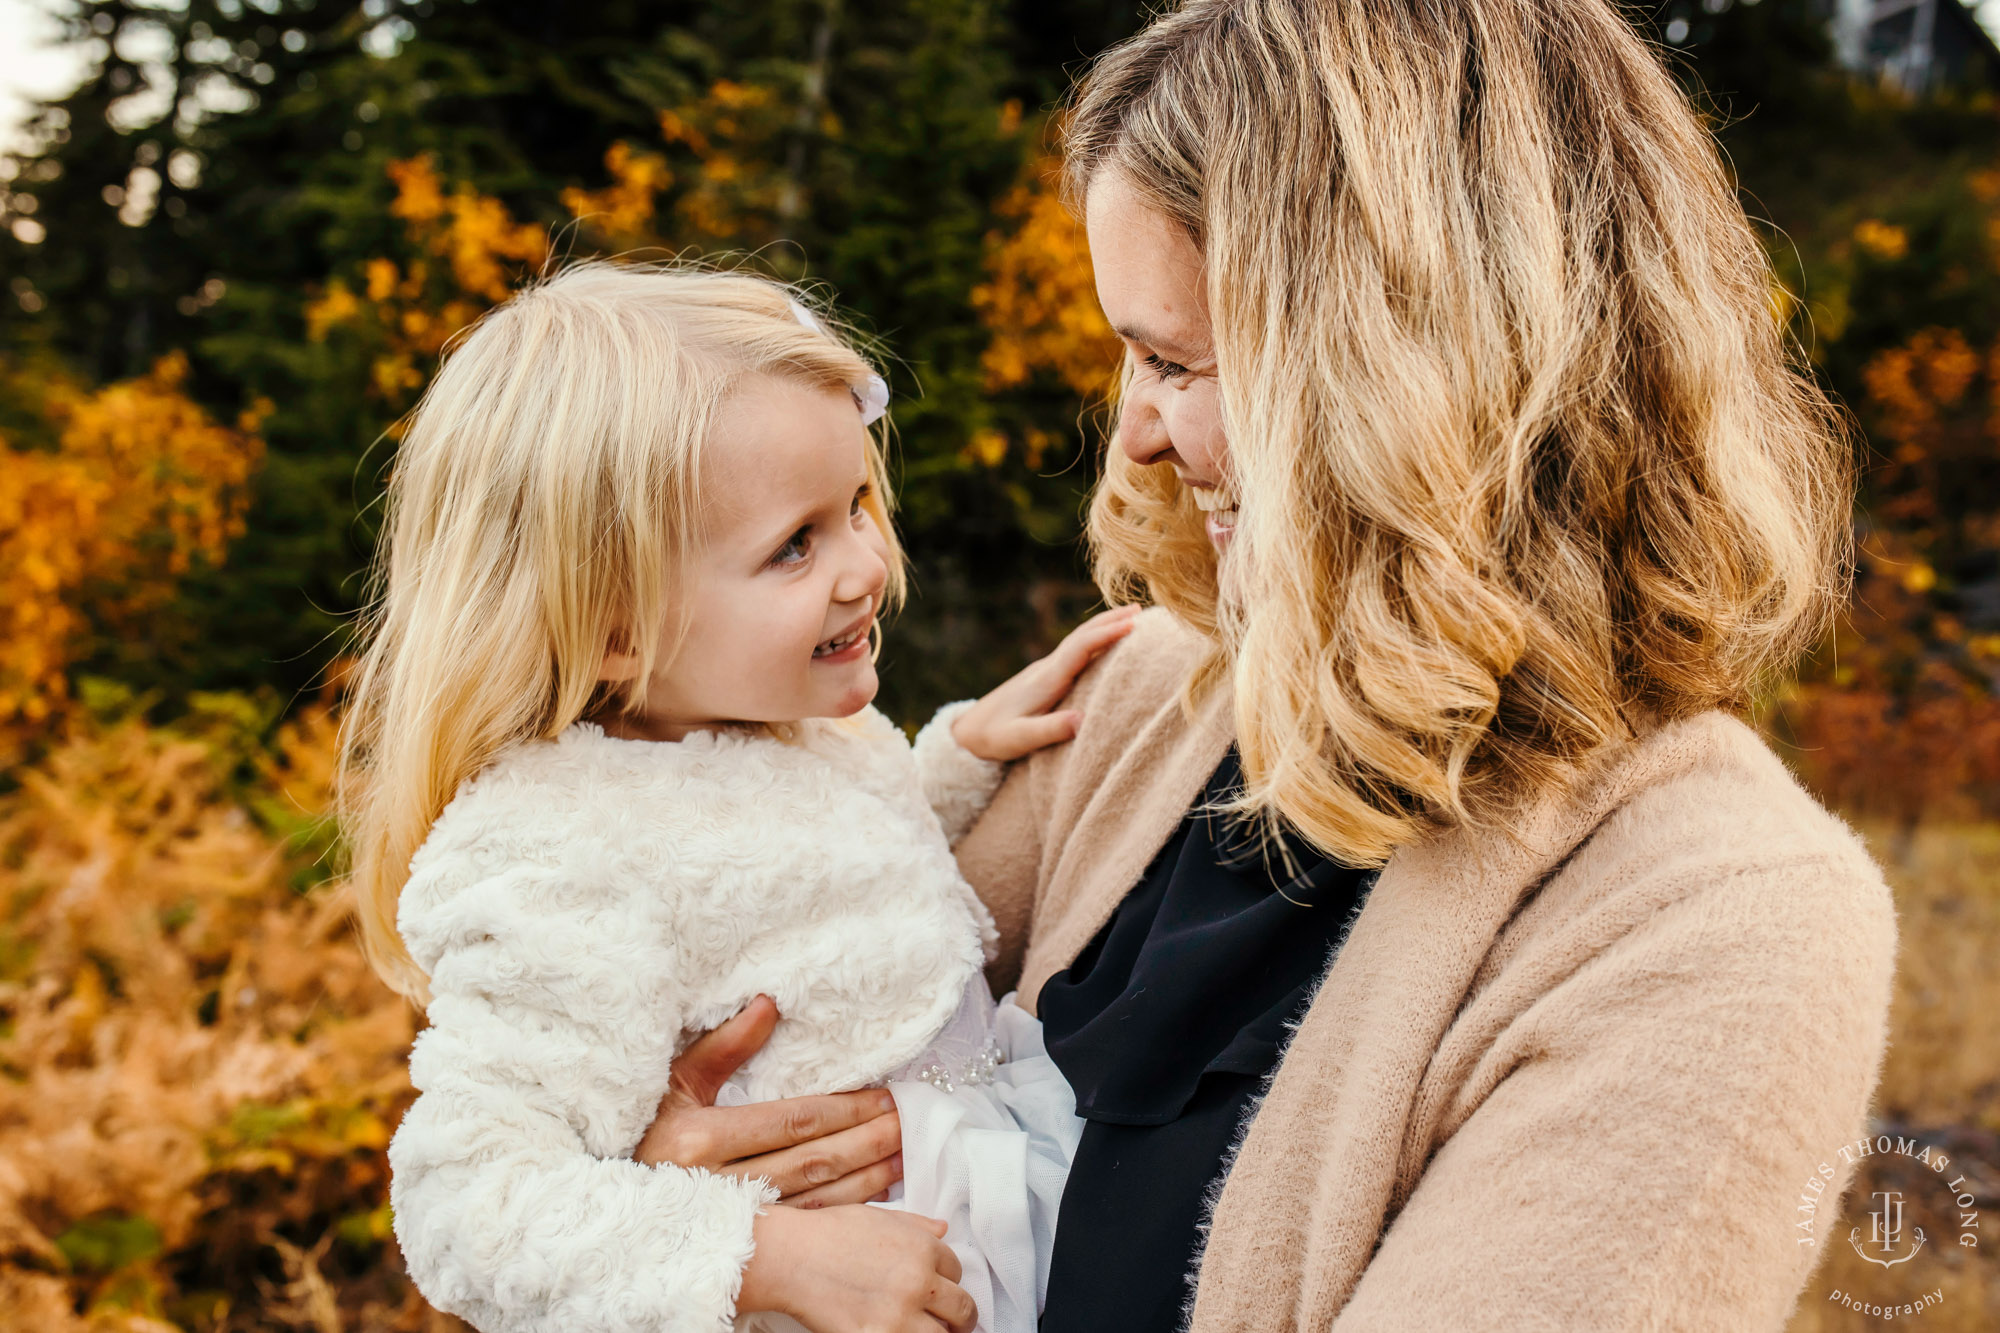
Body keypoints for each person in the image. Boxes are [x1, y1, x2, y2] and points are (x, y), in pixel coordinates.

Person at [644, 2, 1898, 1328]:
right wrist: (666, 1197)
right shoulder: (1151, 692)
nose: (1133, 434)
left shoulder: (1715, 925)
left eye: (1173, 359)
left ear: (1405, 377)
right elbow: (701, 1044)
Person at [336, 262, 1136, 1333]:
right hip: (849, 1286)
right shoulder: (560, 849)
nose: (863, 565)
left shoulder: (793, 727)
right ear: (614, 625)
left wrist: (960, 754)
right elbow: (467, 1200)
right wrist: (761, 1256)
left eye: (853, 505)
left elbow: (826, 888)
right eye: (792, 545)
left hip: (992, 1219)